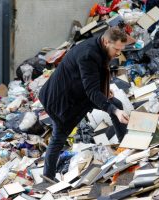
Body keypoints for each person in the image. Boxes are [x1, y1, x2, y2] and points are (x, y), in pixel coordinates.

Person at [38, 26, 130, 180]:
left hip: (80, 92)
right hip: (61, 99)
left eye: (121, 50)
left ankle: (125, 148)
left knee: (116, 104)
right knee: (59, 136)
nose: (118, 54)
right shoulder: (88, 54)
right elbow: (92, 92)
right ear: (107, 42)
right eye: (116, 49)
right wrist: (113, 111)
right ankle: (47, 179)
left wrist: (105, 89)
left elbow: (96, 74)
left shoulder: (100, 46)